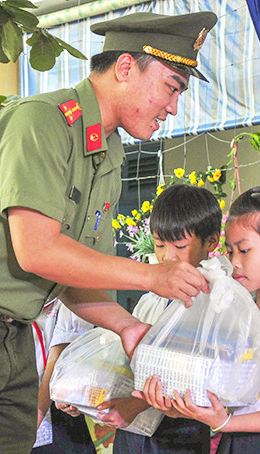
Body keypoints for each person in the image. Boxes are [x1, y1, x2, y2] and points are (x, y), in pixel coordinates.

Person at [0, 11, 217, 453]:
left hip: (11, 330)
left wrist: (129, 327)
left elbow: (78, 274)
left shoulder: (108, 152)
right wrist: (152, 276)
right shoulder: (41, 121)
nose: (173, 107)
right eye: (172, 87)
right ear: (126, 67)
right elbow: (37, 251)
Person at [145, 186, 260, 453]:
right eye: (231, 252)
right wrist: (182, 409)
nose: (235, 263)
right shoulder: (241, 314)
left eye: (245, 251)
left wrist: (224, 422)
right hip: (233, 440)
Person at [65, 184, 221, 453]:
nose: (167, 256)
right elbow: (127, 362)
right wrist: (84, 394)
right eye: (160, 245)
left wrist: (134, 406)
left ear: (211, 242)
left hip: (179, 431)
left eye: (180, 246)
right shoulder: (152, 298)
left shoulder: (214, 301)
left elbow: (195, 375)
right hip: (134, 429)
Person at [32, 299, 96, 453]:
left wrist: (34, 419)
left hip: (55, 408)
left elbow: (59, 357)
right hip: (6, 408)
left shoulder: (65, 295)